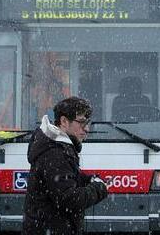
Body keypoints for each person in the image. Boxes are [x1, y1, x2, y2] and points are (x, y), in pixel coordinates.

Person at [22, 96, 108, 235]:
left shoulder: (56, 147)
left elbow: (66, 179)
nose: (86, 129)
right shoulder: (55, 153)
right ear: (63, 121)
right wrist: (98, 188)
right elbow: (69, 199)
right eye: (81, 122)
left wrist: (87, 179)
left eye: (88, 123)